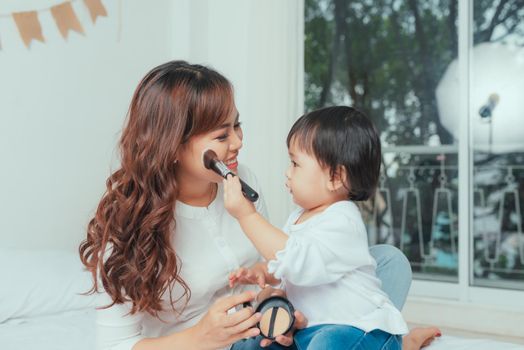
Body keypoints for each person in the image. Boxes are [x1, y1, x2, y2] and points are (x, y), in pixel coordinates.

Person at [79, 61, 436, 350]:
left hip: (264, 320)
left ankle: (367, 337)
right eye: (222, 135)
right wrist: (202, 337)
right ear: (172, 145)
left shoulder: (239, 180)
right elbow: (115, 345)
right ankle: (390, 343)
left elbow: (273, 265)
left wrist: (278, 305)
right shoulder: (126, 225)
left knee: (387, 261)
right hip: (209, 343)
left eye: (237, 126)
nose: (238, 142)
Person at [224, 106, 440, 349]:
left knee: (328, 343)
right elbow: (288, 269)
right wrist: (264, 272)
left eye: (295, 163)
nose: (287, 173)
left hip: (359, 329)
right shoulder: (298, 217)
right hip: (309, 330)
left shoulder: (343, 220)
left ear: (336, 177)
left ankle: (401, 344)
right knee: (253, 345)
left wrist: (246, 215)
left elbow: (297, 258)